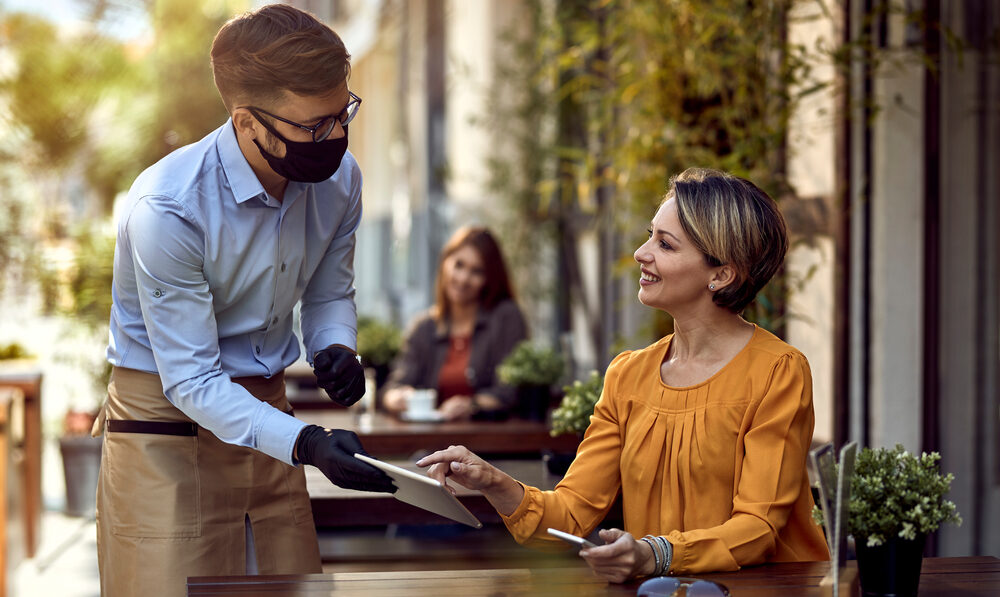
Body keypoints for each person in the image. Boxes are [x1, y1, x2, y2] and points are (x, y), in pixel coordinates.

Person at [95, 5, 395, 596]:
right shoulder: (167, 208)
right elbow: (190, 380)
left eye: (343, 114)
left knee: (290, 589)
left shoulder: (341, 181)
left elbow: (331, 289)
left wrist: (337, 345)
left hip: (267, 417)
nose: (334, 137)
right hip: (165, 426)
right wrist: (307, 442)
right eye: (313, 127)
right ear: (246, 122)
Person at [417, 168, 830, 582]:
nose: (640, 252)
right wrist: (491, 481)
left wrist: (656, 554)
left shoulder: (777, 371)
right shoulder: (628, 375)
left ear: (721, 274)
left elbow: (757, 529)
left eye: (665, 244)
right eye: (650, 234)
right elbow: (572, 513)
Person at [382, 226, 527, 421]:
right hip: (432, 443)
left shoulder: (505, 318)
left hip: (489, 443)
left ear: (489, 278)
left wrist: (472, 405)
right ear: (445, 263)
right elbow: (392, 388)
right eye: (459, 265)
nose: (463, 278)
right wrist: (397, 398)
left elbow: (511, 392)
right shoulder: (423, 327)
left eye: (477, 271)